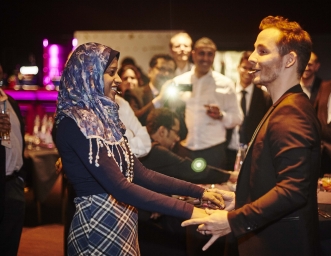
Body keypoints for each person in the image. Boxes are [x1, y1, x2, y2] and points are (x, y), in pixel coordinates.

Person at [55, 42, 230, 255]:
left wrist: (200, 192)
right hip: (97, 227)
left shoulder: (105, 121)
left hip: (123, 224)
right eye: (111, 73)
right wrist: (193, 211)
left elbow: (141, 173)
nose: (118, 79)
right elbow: (120, 187)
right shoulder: (73, 122)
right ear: (89, 75)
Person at [182, 16, 321, 255]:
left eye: (262, 51)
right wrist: (242, 200)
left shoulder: (291, 112)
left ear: (289, 60)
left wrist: (233, 221)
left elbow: (293, 190)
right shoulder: (284, 105)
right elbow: (274, 179)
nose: (252, 58)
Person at [156, 37, 243, 169]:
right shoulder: (179, 81)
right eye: (201, 53)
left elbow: (237, 118)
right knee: (184, 188)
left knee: (215, 189)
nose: (205, 58)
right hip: (184, 148)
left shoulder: (225, 84)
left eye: (210, 54)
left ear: (214, 56)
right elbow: (166, 110)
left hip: (213, 149)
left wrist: (221, 115)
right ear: (194, 54)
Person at [141, 108, 237, 184]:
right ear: (162, 131)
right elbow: (190, 170)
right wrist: (228, 176)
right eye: (176, 132)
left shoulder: (142, 143)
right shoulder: (154, 150)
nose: (177, 138)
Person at [226, 51, 271, 170]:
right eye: (244, 67)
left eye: (251, 69)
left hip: (253, 152)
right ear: (238, 68)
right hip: (227, 150)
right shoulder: (227, 93)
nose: (247, 72)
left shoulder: (265, 97)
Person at [0, 85, 26, 255]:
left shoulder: (10, 102)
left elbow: (18, 140)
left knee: (10, 245)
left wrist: (21, 179)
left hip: (14, 184)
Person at [135, 54, 176, 125]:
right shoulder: (134, 93)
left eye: (170, 71)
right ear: (150, 71)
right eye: (162, 69)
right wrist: (160, 99)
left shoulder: (178, 96)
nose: (166, 74)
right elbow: (134, 120)